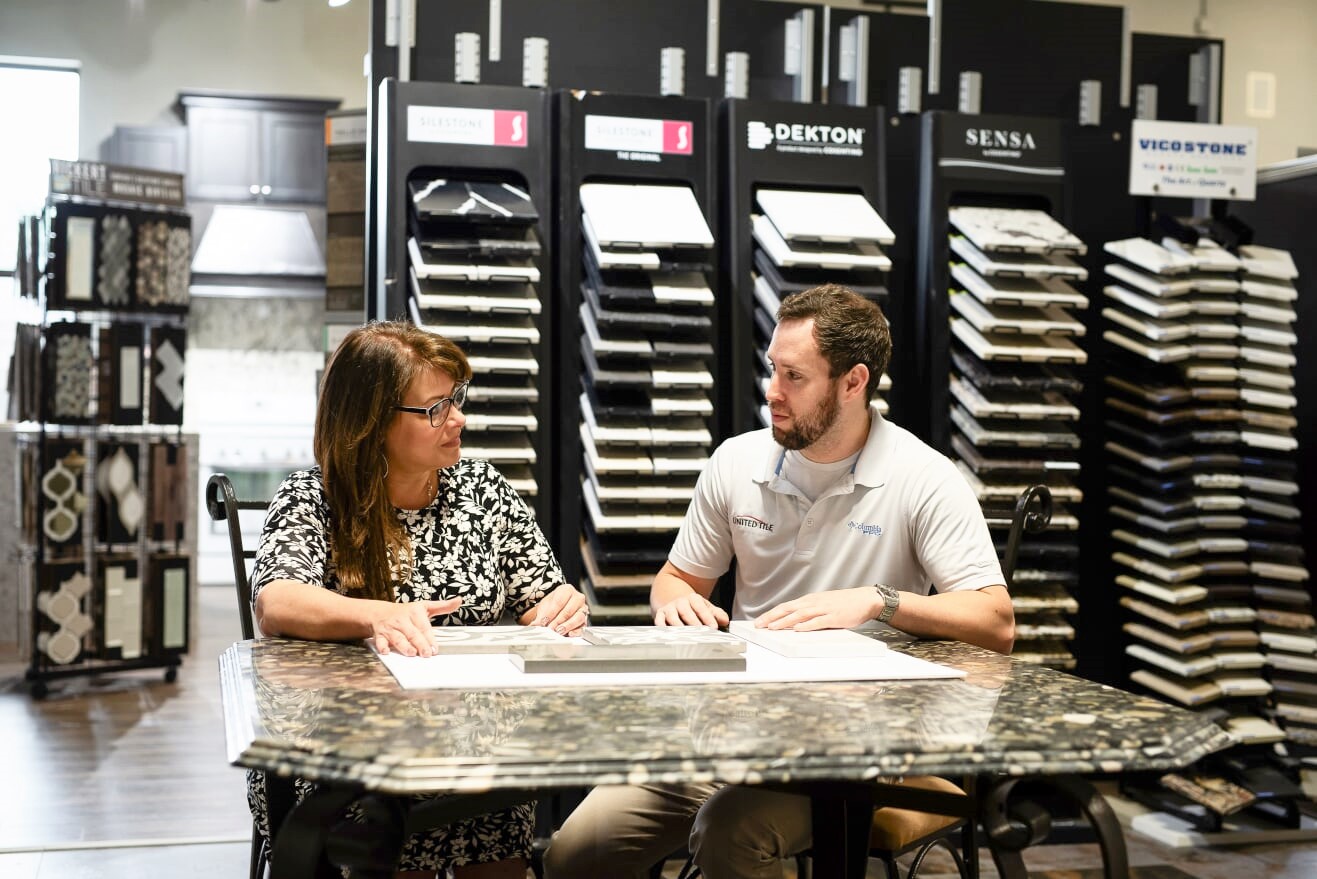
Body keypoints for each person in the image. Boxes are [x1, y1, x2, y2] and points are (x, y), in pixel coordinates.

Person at [543, 284, 1014, 879]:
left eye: (794, 376)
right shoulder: (737, 461)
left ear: (853, 382)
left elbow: (996, 623)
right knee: (573, 855)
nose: (772, 392)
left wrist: (879, 601)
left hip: (865, 754)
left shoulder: (922, 477)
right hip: (732, 735)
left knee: (730, 833)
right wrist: (678, 603)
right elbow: (674, 580)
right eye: (773, 370)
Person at [250, 320, 587, 879]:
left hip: (474, 743)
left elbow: (544, 594)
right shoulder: (314, 497)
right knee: (395, 841)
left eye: (456, 400)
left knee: (501, 825)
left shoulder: (483, 491)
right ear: (372, 422)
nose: (458, 419)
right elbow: (278, 602)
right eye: (435, 408)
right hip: (349, 754)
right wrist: (377, 615)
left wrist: (563, 605)